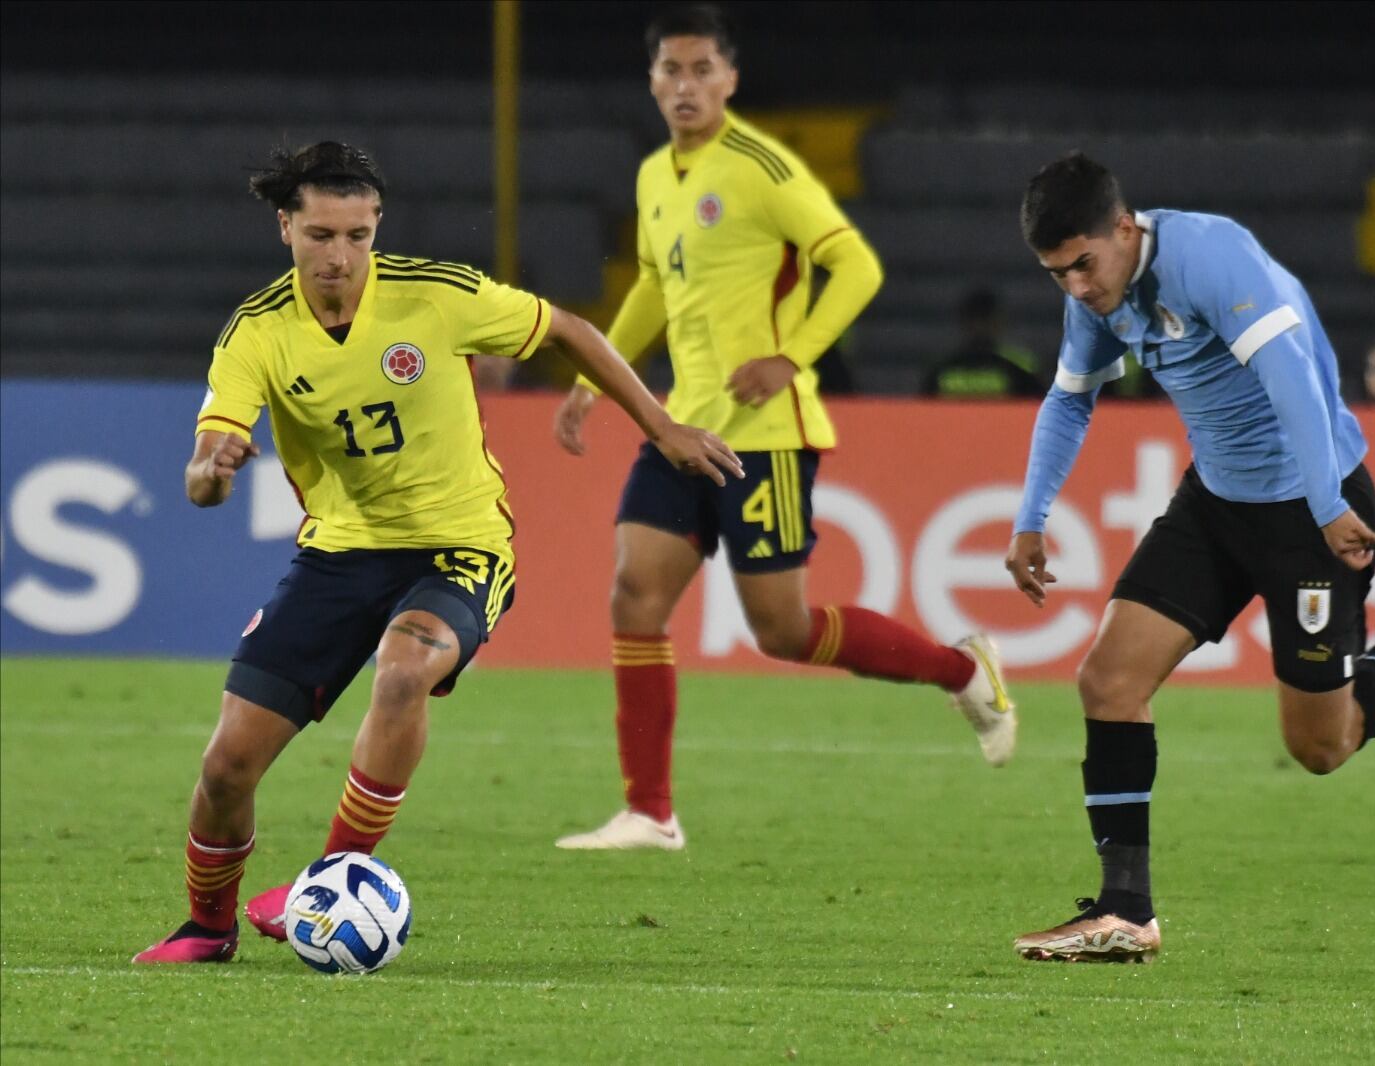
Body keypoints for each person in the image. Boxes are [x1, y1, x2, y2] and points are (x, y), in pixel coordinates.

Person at [132, 141, 742, 964]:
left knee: (403, 668)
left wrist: (661, 426)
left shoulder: (436, 296)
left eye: (357, 235)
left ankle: (336, 876)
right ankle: (208, 926)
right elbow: (205, 471)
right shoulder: (257, 333)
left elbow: (568, 329)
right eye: (320, 235)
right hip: (339, 554)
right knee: (227, 766)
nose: (339, 256)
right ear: (286, 228)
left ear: (377, 227)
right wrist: (211, 469)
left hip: (461, 543)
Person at [550, 4, 1014, 852]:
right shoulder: (657, 176)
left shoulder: (762, 168)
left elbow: (857, 265)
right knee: (634, 596)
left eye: (701, 70)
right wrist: (595, 377)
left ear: (730, 77)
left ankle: (963, 669)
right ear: (652, 81)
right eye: (670, 72)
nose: (685, 86)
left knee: (783, 632)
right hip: (681, 429)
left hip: (764, 435)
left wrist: (791, 357)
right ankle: (650, 811)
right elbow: (654, 284)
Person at [1003, 153, 1375, 963]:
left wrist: (1330, 505)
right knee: (1109, 681)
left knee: (1320, 749)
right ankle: (1126, 911)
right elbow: (1068, 398)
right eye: (1057, 275)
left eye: (1083, 264)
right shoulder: (1097, 292)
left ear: (1124, 229)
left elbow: (1292, 373)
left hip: (1311, 508)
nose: (1077, 288)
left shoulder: (1209, 256)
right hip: (1217, 502)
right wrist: (1029, 518)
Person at [920, 287, 1046, 399]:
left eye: (985, 320)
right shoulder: (942, 368)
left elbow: (1036, 409)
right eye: (976, 320)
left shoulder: (1022, 366)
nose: (980, 327)